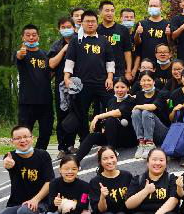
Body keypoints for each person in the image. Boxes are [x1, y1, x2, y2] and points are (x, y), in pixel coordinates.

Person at [63, 10, 115, 145]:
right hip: (82, 83)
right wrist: (67, 77)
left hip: (102, 83)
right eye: (87, 21)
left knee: (110, 108)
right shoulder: (76, 41)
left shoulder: (103, 40)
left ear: (97, 23)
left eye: (93, 21)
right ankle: (85, 141)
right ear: (82, 23)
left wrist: (110, 78)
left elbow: (110, 61)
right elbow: (70, 61)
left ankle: (105, 139)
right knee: (81, 113)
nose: (90, 24)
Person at [74, 77, 137, 163]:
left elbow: (118, 112)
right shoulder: (111, 101)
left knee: (111, 119)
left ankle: (111, 150)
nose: (119, 90)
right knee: (92, 136)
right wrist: (103, 143)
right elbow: (105, 122)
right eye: (117, 87)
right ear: (113, 88)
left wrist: (97, 116)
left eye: (123, 87)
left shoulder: (132, 100)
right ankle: (75, 161)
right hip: (114, 137)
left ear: (128, 88)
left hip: (128, 138)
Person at [15, 24, 54, 152]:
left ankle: (38, 154)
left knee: (46, 132)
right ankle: (24, 155)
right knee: (24, 133)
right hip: (27, 101)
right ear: (23, 37)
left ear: (38, 37)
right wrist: (21, 53)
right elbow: (19, 56)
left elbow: (50, 72)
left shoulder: (45, 54)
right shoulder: (22, 53)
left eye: (34, 35)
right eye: (28, 35)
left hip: (45, 101)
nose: (31, 38)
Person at [48, 16, 77, 158]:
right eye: (63, 27)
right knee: (62, 115)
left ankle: (71, 145)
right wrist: (64, 50)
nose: (66, 29)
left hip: (78, 84)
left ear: (74, 28)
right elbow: (51, 64)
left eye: (69, 27)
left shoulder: (80, 41)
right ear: (59, 29)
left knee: (76, 114)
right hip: (61, 86)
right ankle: (62, 147)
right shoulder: (57, 45)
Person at [131, 72, 169, 159]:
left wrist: (137, 106)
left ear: (154, 82)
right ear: (140, 83)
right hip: (146, 132)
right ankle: (141, 143)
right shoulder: (139, 94)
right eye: (143, 80)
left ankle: (149, 144)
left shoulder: (161, 93)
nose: (146, 83)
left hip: (162, 132)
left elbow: (152, 107)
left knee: (146, 112)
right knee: (135, 112)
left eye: (149, 80)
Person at [96, 0, 134, 80]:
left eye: (112, 11)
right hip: (100, 71)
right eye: (107, 10)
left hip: (118, 72)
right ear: (100, 12)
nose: (110, 13)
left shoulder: (123, 29)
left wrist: (128, 71)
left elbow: (127, 51)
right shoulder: (96, 30)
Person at [133, 0, 170, 72]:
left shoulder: (167, 24)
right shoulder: (141, 24)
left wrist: (168, 35)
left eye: (155, 6)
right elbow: (136, 43)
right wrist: (137, 33)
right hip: (145, 63)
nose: (153, 8)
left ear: (161, 7)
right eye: (151, 6)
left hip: (162, 63)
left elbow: (171, 44)